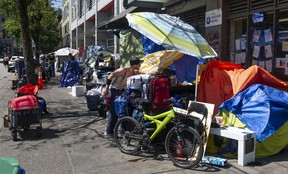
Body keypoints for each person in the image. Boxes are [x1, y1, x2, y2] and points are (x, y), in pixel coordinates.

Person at [103, 58, 143, 136]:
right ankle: (109, 131)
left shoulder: (134, 72)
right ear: (135, 65)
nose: (140, 66)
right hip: (115, 91)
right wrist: (106, 88)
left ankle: (122, 131)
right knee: (113, 112)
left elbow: (144, 73)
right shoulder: (123, 70)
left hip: (122, 92)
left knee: (123, 112)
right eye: (139, 64)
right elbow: (111, 75)